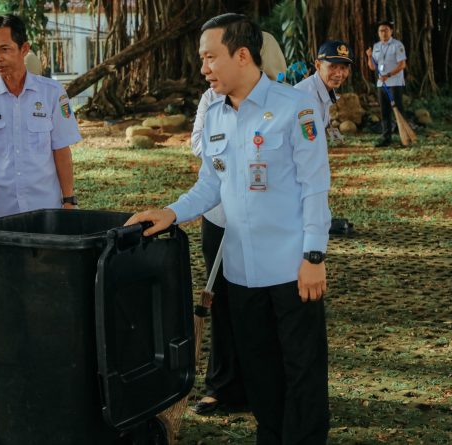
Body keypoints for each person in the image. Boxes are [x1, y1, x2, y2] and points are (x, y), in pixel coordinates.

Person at [126, 13, 331, 444]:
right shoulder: (215, 113)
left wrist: (314, 256)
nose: (203, 69)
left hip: (293, 269)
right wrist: (171, 212)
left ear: (242, 55)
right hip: (241, 272)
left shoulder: (296, 107)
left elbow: (315, 187)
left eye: (209, 58)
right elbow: (211, 183)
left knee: (303, 373)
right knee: (260, 374)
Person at [190, 29, 287, 416]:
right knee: (225, 300)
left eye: (214, 57)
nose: (208, 68)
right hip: (221, 216)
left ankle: (267, 385)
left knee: (266, 301)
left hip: (265, 220)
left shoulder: (282, 102)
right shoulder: (210, 101)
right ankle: (223, 385)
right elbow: (199, 143)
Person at [0, 14, 82, 223]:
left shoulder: (52, 93)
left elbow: (61, 150)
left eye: (5, 49)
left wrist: (69, 200)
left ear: (24, 49)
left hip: (46, 209)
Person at [295, 40, 353, 136]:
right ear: (318, 65)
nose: (338, 74)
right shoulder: (306, 96)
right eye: (332, 66)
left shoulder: (326, 90)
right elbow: (309, 140)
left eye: (343, 68)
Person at [366, 19, 407, 147]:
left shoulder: (397, 45)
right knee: (385, 112)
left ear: (391, 31)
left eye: (386, 30)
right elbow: (372, 67)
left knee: (398, 111)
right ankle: (386, 138)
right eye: (381, 31)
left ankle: (404, 138)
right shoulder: (376, 46)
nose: (383, 33)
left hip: (394, 83)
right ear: (378, 33)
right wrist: (368, 56)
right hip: (381, 84)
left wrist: (388, 75)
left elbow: (402, 65)